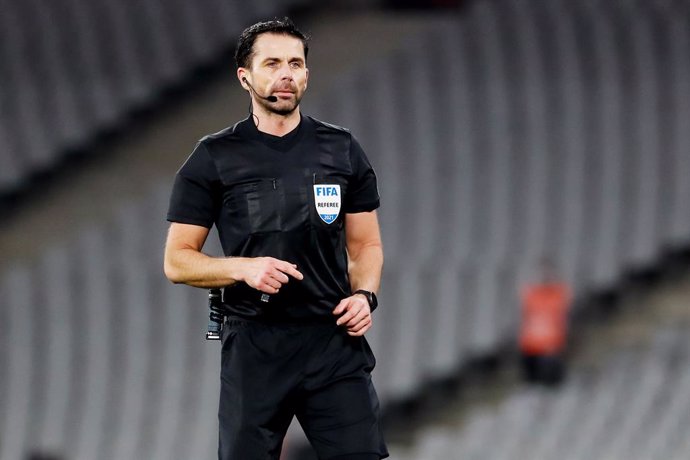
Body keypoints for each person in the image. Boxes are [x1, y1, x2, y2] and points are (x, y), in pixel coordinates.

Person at [163, 17, 388, 460]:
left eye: (296, 64)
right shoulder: (214, 157)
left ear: (306, 74)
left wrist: (364, 295)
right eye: (272, 63)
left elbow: (365, 246)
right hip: (255, 343)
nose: (286, 73)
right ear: (245, 77)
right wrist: (242, 268)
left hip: (332, 339)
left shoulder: (340, 149)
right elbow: (177, 261)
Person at [518, 257, 571, 386]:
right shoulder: (530, 294)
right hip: (530, 347)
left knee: (551, 383)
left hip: (552, 347)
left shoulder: (559, 293)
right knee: (530, 384)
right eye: (542, 272)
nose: (545, 276)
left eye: (548, 272)